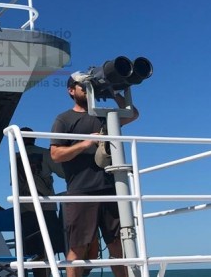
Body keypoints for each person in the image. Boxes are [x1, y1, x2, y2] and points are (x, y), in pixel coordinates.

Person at [49, 72, 139, 277]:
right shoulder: (64, 120)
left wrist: (113, 92)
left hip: (110, 189)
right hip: (81, 191)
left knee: (117, 245)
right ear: (71, 91)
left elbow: (132, 114)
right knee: (78, 247)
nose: (87, 89)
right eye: (83, 85)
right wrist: (85, 143)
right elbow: (55, 154)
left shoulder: (104, 116)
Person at [15, 127, 67, 277]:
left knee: (33, 253)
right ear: (34, 138)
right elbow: (63, 173)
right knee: (51, 247)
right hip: (46, 206)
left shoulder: (15, 157)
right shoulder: (45, 154)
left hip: (25, 209)